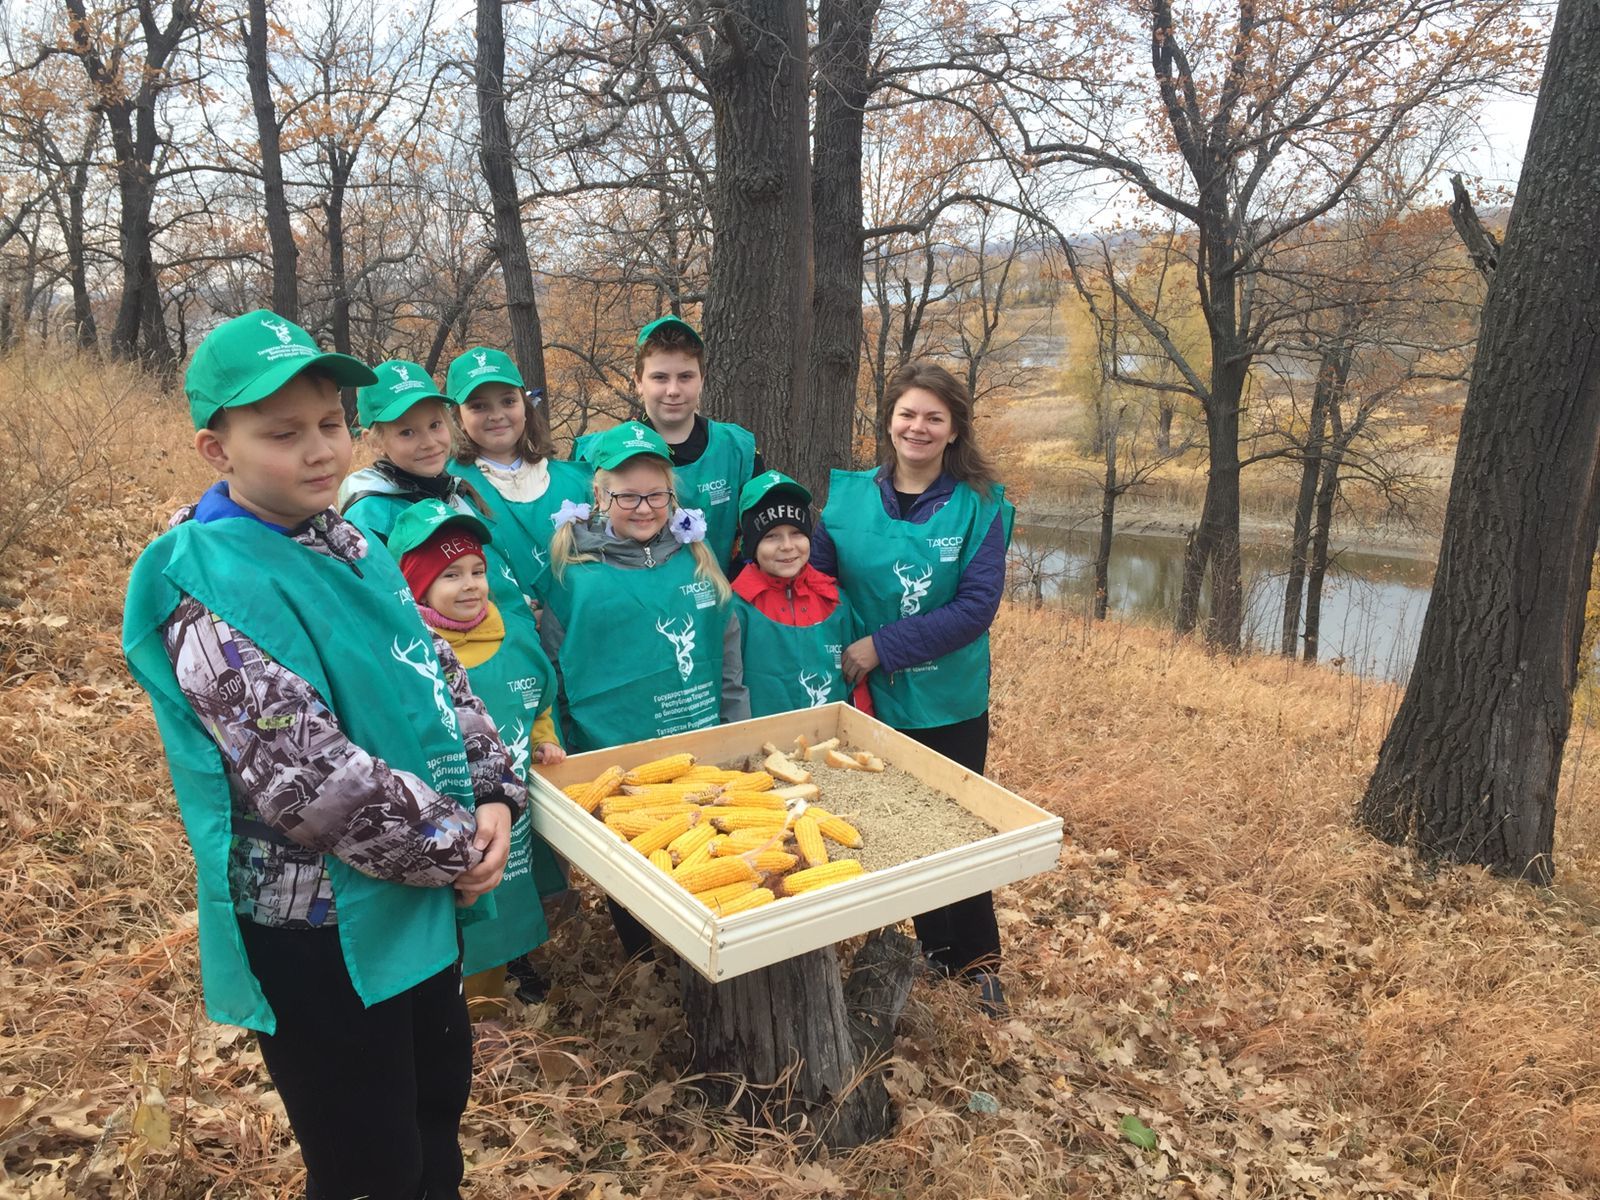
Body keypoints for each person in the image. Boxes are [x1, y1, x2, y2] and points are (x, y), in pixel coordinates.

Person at [121, 311, 520, 1198]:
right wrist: (463, 850)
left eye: (332, 424)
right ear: (214, 448)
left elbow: (438, 671)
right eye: (282, 433)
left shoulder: (348, 541)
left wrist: (494, 789)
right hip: (317, 929)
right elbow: (313, 784)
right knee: (368, 1164)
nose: (319, 451)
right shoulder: (206, 586)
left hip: (415, 896)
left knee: (433, 1121)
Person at [809, 361, 1014, 1014]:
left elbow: (975, 609)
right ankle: (928, 953)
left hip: (947, 701)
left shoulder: (980, 507)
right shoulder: (844, 501)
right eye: (907, 414)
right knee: (897, 831)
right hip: (867, 703)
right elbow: (817, 587)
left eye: (933, 417)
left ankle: (975, 963)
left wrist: (881, 646)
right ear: (888, 420)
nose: (918, 427)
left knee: (956, 826)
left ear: (953, 429)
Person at [542, 421, 750, 958]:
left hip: (701, 754)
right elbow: (554, 673)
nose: (642, 507)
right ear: (598, 493)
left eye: (656, 493)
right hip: (622, 767)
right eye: (626, 495)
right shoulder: (573, 574)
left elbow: (727, 661)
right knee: (637, 886)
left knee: (706, 866)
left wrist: (736, 734)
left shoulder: (698, 561)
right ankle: (643, 966)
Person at [389, 500, 567, 1007]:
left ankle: (490, 1006)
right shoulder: (409, 656)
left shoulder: (514, 640)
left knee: (504, 900)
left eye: (477, 571)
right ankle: (453, 1009)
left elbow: (538, 701)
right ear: (416, 587)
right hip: (447, 814)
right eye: (449, 575)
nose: (469, 585)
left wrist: (543, 739)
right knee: (460, 910)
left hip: (509, 808)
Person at [572, 317, 761, 568]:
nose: (673, 390)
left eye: (685, 377)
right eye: (660, 378)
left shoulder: (738, 449)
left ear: (702, 379)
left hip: (721, 598)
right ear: (638, 381)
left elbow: (763, 537)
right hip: (632, 600)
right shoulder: (596, 454)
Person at [444, 346, 592, 599]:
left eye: (508, 401)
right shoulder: (450, 491)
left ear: (525, 407)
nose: (497, 415)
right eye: (479, 406)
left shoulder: (577, 481)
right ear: (458, 418)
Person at [729, 470, 872, 717]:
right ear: (752, 545)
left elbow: (857, 683)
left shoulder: (835, 600)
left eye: (796, 533)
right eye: (771, 536)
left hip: (829, 742)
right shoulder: (736, 607)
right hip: (762, 743)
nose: (787, 546)